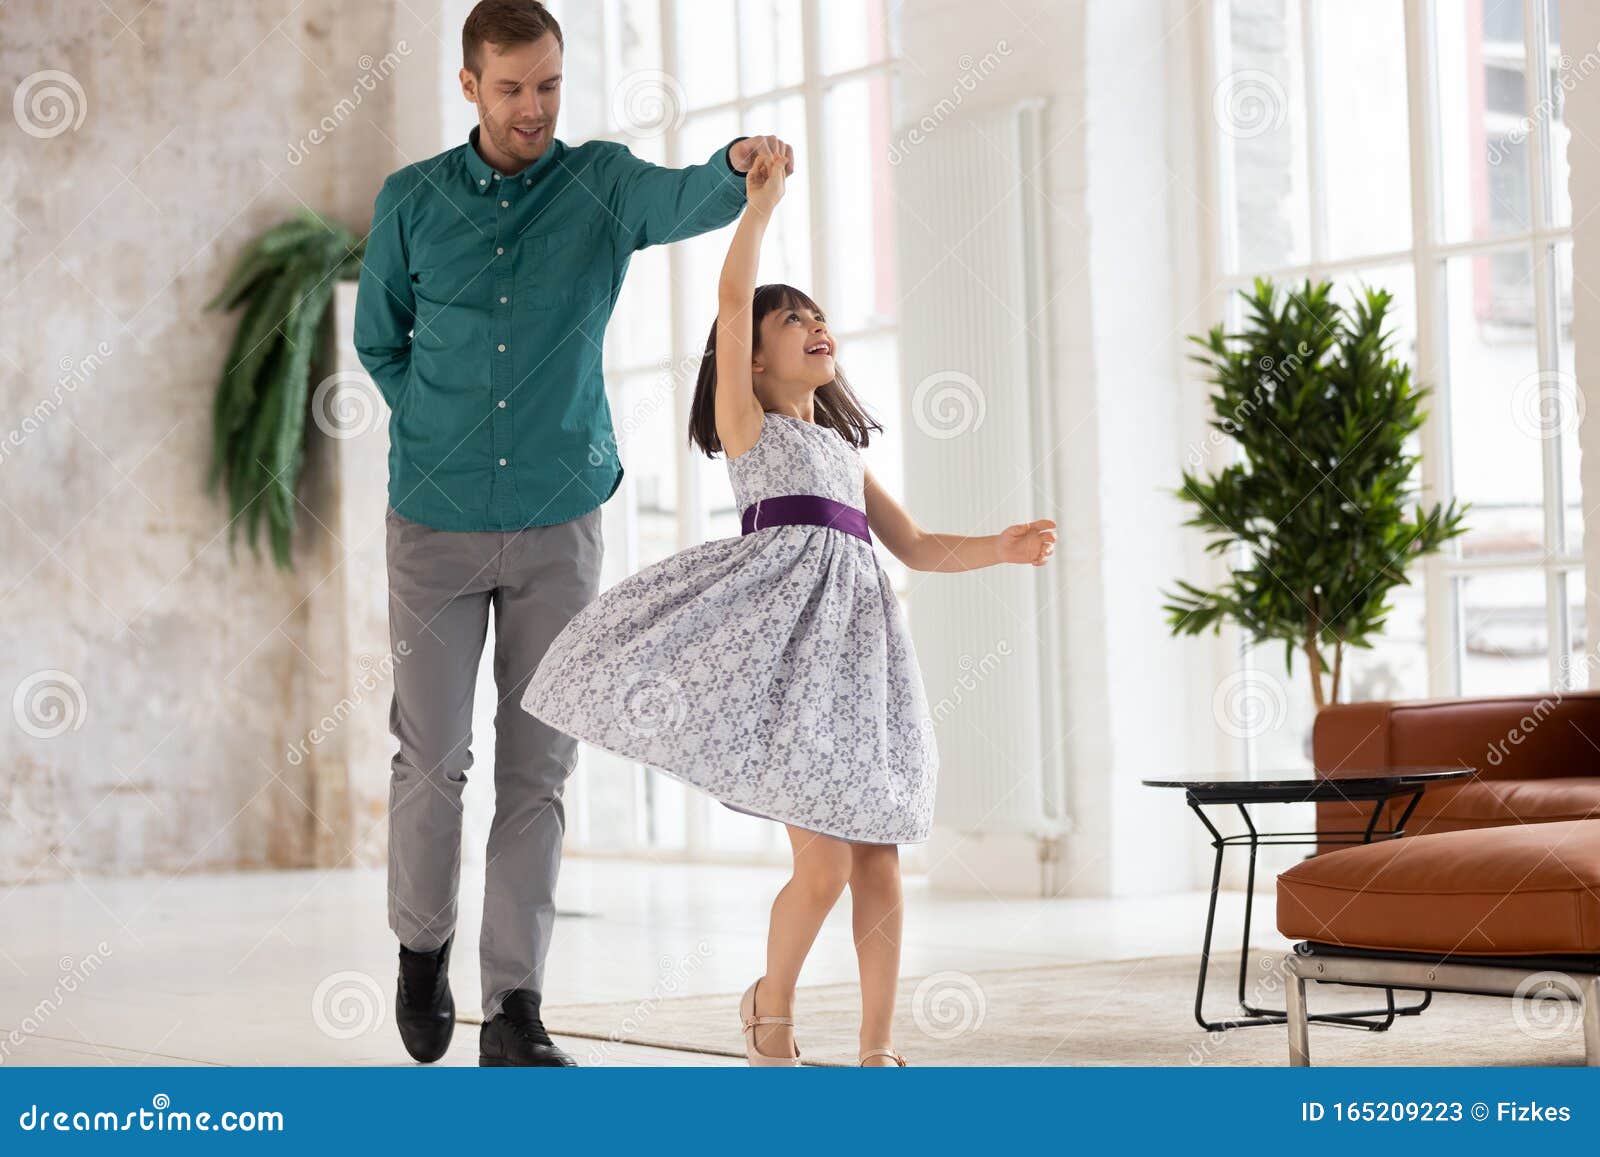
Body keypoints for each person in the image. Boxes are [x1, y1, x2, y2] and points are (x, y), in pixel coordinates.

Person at [520, 150, 1058, 1066]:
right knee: (823, 866)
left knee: (880, 856)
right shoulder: (748, 426)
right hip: (787, 668)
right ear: (756, 356)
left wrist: (998, 549)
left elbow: (918, 546)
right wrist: (757, 210)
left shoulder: (845, 452)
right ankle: (771, 1010)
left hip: (866, 667)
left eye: (817, 313)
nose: (814, 324)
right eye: (790, 318)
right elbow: (732, 303)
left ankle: (878, 1048)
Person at [352, 0, 795, 1067]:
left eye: (548, 85)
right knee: (432, 758)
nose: (532, 109)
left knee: (539, 764)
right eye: (510, 89)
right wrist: (442, 424)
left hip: (560, 518)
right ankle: (422, 947)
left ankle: (513, 1005)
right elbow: (382, 343)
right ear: (470, 87)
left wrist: (739, 162)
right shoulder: (410, 201)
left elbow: (687, 193)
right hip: (436, 521)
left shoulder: (597, 183)